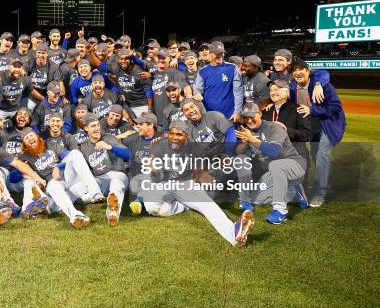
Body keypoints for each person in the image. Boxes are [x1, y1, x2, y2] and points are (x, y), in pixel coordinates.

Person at [138, 119, 255, 247]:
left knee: (207, 205)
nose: (175, 137)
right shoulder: (159, 146)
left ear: (186, 137)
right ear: (168, 134)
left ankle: (234, 233)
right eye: (172, 133)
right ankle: (184, 206)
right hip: (163, 183)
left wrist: (202, 176)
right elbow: (154, 176)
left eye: (179, 134)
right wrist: (154, 171)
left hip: (184, 184)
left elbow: (198, 170)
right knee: (152, 208)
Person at [235, 103, 308, 224]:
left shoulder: (274, 128)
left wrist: (252, 139)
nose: (249, 120)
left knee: (275, 165)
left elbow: (273, 152)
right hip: (274, 172)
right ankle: (294, 191)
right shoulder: (247, 131)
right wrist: (245, 143)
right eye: (246, 117)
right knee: (256, 200)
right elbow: (238, 152)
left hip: (295, 165)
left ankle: (280, 210)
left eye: (252, 116)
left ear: (259, 114)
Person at [290, 60, 345, 207]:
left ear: (308, 71)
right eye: (294, 70)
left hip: (328, 126)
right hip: (313, 127)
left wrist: (313, 109)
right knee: (316, 156)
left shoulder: (322, 85)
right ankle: (327, 183)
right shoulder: (293, 86)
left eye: (301, 69)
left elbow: (336, 107)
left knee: (322, 155)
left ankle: (320, 194)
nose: (297, 72)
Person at [19, 128, 99, 228]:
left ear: (37, 136)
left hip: (66, 175)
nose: (30, 138)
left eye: (31, 135)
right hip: (53, 183)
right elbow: (14, 176)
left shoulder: (50, 144)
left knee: (75, 153)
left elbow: (69, 156)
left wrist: (58, 166)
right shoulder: (25, 156)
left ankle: (95, 192)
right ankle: (75, 215)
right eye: (26, 138)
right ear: (25, 144)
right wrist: (25, 172)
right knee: (54, 188)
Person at [79, 114, 130, 226]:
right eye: (93, 126)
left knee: (116, 184)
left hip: (118, 175)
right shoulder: (84, 146)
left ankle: (113, 213)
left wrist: (110, 147)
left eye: (98, 125)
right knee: (80, 189)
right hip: (100, 180)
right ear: (86, 128)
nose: (97, 128)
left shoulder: (108, 138)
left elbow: (128, 154)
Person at [262, 79, 311, 162]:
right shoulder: (267, 111)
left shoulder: (298, 109)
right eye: (271, 90)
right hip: (271, 159)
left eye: (276, 89)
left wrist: (286, 130)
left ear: (286, 92)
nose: (272, 92)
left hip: (294, 158)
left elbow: (307, 135)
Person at [193, 41, 244, 121]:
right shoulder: (202, 72)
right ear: (210, 54)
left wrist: (237, 111)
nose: (220, 56)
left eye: (222, 53)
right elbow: (198, 89)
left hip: (230, 116)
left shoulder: (232, 68)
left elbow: (239, 92)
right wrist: (197, 94)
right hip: (210, 116)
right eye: (217, 53)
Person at [27, 43, 63, 111]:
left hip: (47, 96)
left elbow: (56, 85)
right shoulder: (29, 63)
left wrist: (47, 100)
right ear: (35, 53)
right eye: (39, 52)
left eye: (43, 53)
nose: (40, 55)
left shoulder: (54, 67)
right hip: (31, 97)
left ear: (47, 54)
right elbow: (25, 82)